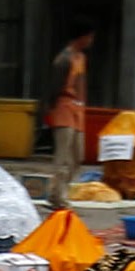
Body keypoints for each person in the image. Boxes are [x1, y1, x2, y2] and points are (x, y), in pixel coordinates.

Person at [48, 24, 94, 194]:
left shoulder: (80, 58)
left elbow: (81, 81)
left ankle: (59, 189)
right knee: (63, 156)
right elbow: (54, 87)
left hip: (77, 109)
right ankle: (58, 194)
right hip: (64, 106)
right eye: (89, 37)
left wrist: (82, 103)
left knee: (77, 156)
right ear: (81, 37)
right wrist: (51, 109)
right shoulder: (63, 59)